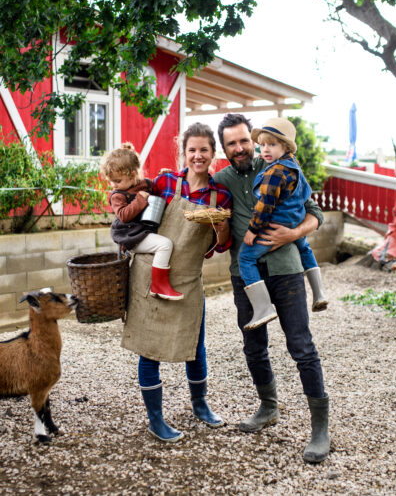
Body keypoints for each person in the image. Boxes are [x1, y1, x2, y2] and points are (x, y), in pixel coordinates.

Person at [213, 113, 330, 463]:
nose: (240, 148)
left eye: (244, 140)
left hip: (286, 271)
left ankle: (320, 428)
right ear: (225, 148)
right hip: (244, 276)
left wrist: (293, 233)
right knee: (253, 346)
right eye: (231, 143)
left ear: (254, 139)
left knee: (302, 347)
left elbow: (316, 215)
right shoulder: (222, 181)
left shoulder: (283, 168)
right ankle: (268, 407)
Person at [120, 123, 232, 442]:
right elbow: (141, 219)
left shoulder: (218, 195)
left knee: (195, 347)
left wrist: (220, 227)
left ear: (213, 154)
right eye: (192, 150)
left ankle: (200, 405)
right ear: (183, 152)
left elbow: (221, 245)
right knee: (149, 347)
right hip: (151, 275)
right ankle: (156, 419)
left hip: (187, 279)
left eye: (204, 150)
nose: (198, 155)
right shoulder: (166, 182)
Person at [239, 117, 328, 331]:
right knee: (304, 247)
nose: (265, 149)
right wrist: (295, 232)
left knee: (245, 258)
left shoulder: (274, 172)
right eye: (262, 145)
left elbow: (265, 205)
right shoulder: (294, 167)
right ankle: (319, 293)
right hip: (294, 220)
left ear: (285, 146)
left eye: (272, 144)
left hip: (276, 225)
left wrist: (252, 230)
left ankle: (263, 308)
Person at [100, 142, 183, 300]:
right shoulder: (118, 195)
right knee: (165, 245)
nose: (114, 185)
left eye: (117, 181)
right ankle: (159, 285)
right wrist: (138, 200)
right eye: (112, 181)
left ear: (132, 175)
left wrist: (164, 176)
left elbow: (158, 187)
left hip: (143, 231)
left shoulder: (144, 184)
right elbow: (124, 215)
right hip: (131, 236)